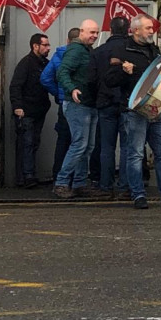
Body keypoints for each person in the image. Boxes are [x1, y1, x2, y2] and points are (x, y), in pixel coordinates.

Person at [118, 15, 161, 209]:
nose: (152, 31)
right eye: (148, 28)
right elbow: (109, 80)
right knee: (135, 154)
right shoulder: (123, 50)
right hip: (135, 111)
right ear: (136, 30)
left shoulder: (153, 49)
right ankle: (138, 195)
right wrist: (124, 74)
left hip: (158, 111)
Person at [54, 20, 100, 199]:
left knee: (87, 146)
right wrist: (71, 88)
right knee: (80, 144)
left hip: (87, 103)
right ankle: (62, 182)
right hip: (77, 104)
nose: (95, 36)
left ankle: (79, 183)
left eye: (96, 33)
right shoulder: (76, 50)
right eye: (91, 32)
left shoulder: (86, 50)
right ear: (81, 32)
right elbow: (62, 72)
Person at [91, 16, 132, 200]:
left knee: (106, 147)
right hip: (127, 102)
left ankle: (106, 186)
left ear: (110, 30)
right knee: (126, 146)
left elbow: (90, 79)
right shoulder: (132, 50)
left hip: (105, 102)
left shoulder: (98, 52)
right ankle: (125, 186)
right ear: (128, 30)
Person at [9, 32, 51, 189]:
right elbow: (15, 86)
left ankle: (29, 174)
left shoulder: (45, 63)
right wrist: (17, 106)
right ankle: (26, 176)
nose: (48, 48)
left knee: (33, 143)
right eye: (45, 45)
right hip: (26, 110)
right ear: (35, 46)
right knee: (26, 143)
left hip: (39, 109)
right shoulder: (25, 64)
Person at [41, 26, 79, 181]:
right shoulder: (84, 54)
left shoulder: (58, 55)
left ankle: (58, 175)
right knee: (79, 142)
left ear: (67, 40)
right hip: (80, 103)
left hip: (64, 103)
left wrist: (58, 93)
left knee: (63, 140)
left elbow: (45, 78)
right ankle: (75, 177)